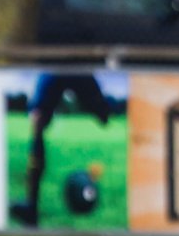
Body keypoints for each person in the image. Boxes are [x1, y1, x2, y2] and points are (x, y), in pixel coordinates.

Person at [9, 71, 111, 228]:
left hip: (75, 61)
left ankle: (31, 207)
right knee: (38, 118)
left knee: (104, 115)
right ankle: (31, 207)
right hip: (56, 64)